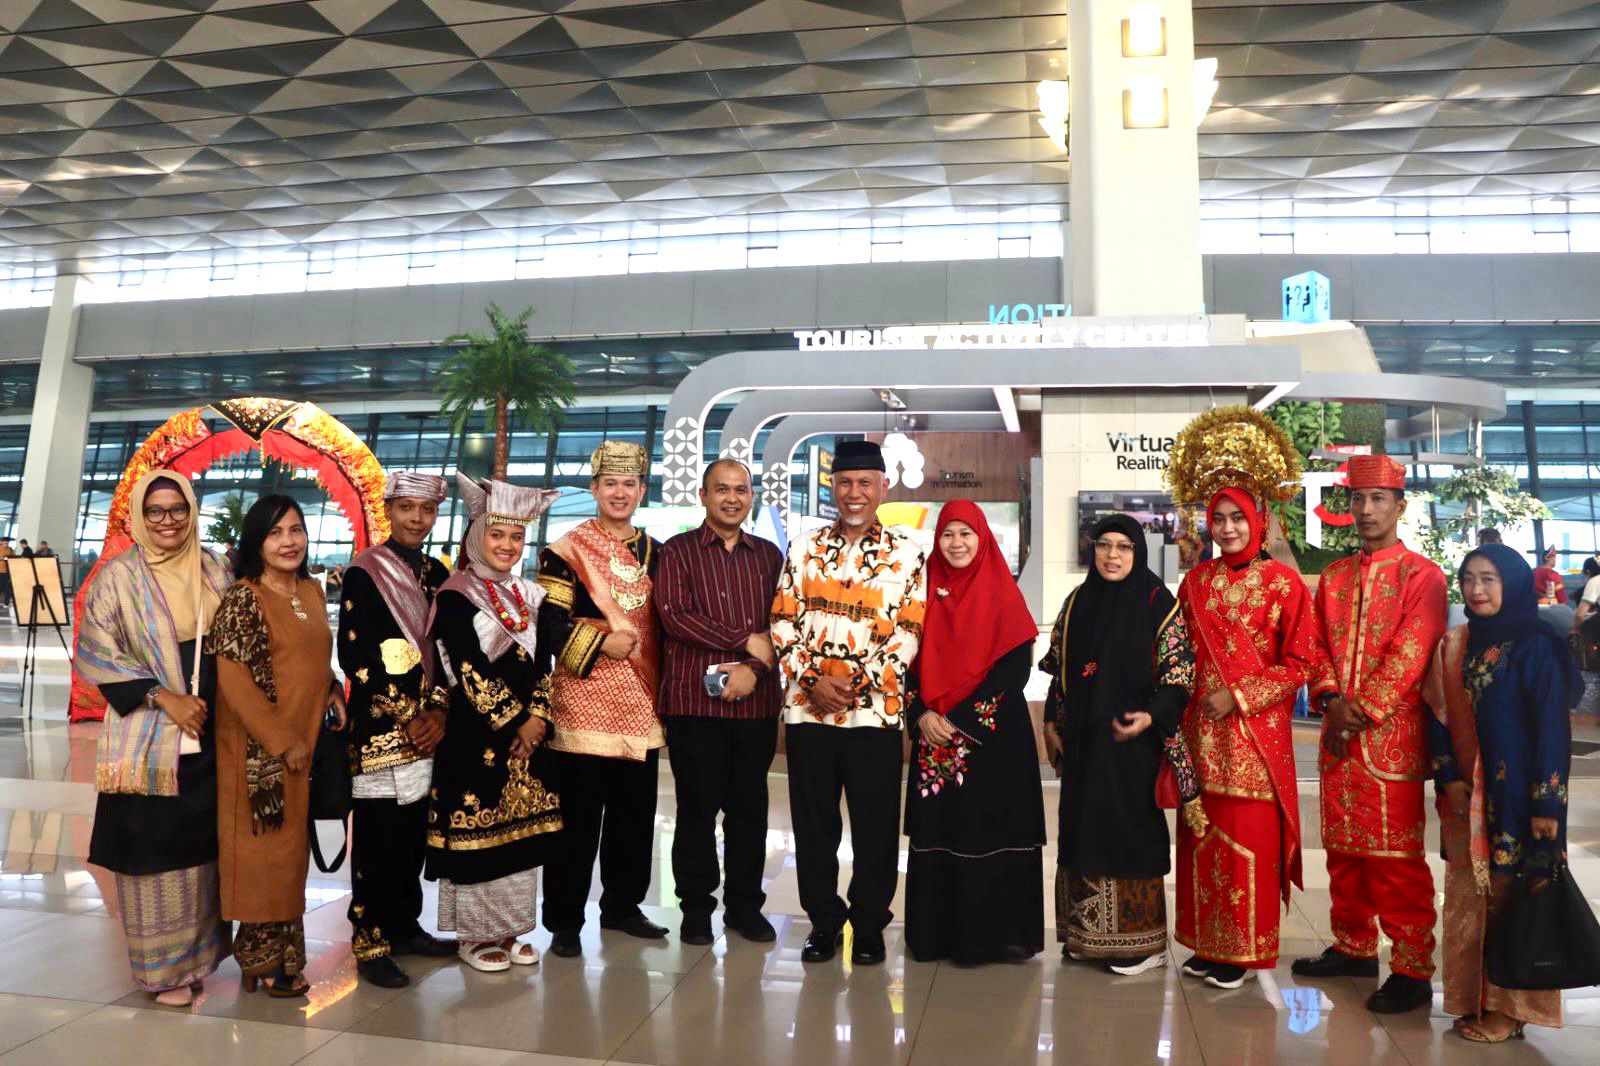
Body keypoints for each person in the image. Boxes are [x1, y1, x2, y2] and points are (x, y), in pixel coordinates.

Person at [1295, 456, 1447, 1013]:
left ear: (1399, 506)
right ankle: (1354, 945)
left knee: (1395, 858)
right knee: (1342, 849)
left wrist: (1363, 709)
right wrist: (1332, 701)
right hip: (1339, 733)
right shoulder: (1334, 578)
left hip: (1393, 737)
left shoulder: (1422, 576)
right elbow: (1314, 648)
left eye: (1377, 499)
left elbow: (1414, 649)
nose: (1364, 510)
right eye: (1357, 499)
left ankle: (1411, 966)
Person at [77, 470, 232, 1007]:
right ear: (140, 518)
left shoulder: (214, 569)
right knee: (153, 851)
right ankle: (162, 972)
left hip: (212, 732)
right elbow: (96, 651)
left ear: (191, 511)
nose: (168, 521)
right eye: (155, 511)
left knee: (199, 850)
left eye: (178, 509)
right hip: (146, 735)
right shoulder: (117, 577)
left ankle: (196, 962)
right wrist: (166, 698)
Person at [770, 439, 927, 966]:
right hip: (808, 712)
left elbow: (910, 628)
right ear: (831, 487)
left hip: (874, 712)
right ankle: (823, 922)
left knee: (876, 825)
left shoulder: (908, 553)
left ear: (883, 487)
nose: (854, 492)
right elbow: (782, 619)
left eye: (865, 482)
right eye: (844, 482)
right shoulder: (804, 547)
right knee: (814, 825)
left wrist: (855, 681)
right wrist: (814, 679)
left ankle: (869, 923)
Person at [1425, 543, 1581, 1043]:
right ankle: (1472, 998)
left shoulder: (1537, 644)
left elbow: (1553, 727)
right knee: (1473, 898)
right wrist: (1447, 774)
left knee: (1516, 896)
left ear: (1512, 583)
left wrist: (1546, 805)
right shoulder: (1457, 642)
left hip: (1520, 797)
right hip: (1468, 794)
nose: (1476, 589)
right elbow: (1436, 715)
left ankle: (1510, 1008)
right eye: (1468, 578)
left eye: (1489, 578)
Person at [1173, 488, 1317, 989]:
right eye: (1219, 518)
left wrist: (1238, 695)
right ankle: (1209, 945)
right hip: (1198, 735)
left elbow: (1302, 662)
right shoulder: (1194, 582)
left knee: (1247, 844)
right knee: (1202, 841)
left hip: (1254, 735)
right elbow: (1179, 654)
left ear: (1258, 522)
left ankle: (1244, 953)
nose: (1228, 528)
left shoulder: (1284, 585)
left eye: (1238, 518)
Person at [1040, 514, 1195, 975]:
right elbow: (1058, 674)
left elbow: (1179, 675)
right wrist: (1052, 724)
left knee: (1127, 831)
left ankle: (1140, 945)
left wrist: (1152, 716)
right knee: (1083, 827)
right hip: (1086, 745)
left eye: (1124, 547)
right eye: (1104, 546)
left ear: (1138, 552)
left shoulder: (1156, 602)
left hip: (1133, 747)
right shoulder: (1078, 601)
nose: (1112, 555)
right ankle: (1085, 936)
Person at [426, 475, 564, 972]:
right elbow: (467, 668)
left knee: (520, 836)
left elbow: (549, 661)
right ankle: (475, 936)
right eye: (497, 535)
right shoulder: (456, 594)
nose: (507, 546)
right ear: (475, 537)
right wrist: (515, 726)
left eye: (516, 537)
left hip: (529, 733)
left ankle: (512, 930)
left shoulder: (533, 594)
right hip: (475, 734)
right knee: (480, 836)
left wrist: (539, 718)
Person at [209, 495, 343, 997]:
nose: (289, 541)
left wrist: (332, 689)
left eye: (296, 529)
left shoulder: (308, 590)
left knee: (288, 858)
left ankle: (283, 953)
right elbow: (234, 683)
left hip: (303, 746)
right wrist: (282, 741)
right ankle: (259, 959)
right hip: (258, 753)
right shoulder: (244, 598)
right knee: (263, 856)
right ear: (256, 543)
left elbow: (311, 656)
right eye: (275, 533)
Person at [538, 441, 667, 955]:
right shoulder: (565, 550)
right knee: (576, 822)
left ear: (640, 491)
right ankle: (565, 921)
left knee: (634, 820)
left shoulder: (659, 552)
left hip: (641, 704)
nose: (620, 492)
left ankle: (622, 907)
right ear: (594, 490)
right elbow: (546, 623)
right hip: (581, 703)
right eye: (609, 483)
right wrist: (600, 640)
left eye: (629, 484)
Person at [904, 500, 1044, 965]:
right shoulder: (920, 591)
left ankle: (991, 939)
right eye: (948, 534)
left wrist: (959, 721)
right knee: (942, 831)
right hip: (933, 734)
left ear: (983, 538)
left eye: (966, 533)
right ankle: (935, 936)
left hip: (994, 737)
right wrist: (921, 713)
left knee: (988, 829)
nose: (957, 543)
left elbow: (1013, 669)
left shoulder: (1002, 591)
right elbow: (902, 658)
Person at [655, 459, 784, 946]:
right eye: (722, 489)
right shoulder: (678, 552)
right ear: (704, 495)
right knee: (696, 809)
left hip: (755, 703)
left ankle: (745, 908)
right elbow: (675, 617)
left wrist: (755, 667)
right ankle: (695, 909)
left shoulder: (770, 556)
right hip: (694, 704)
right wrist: (744, 642)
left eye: (741, 490)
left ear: (752, 496)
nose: (732, 498)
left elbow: (785, 624)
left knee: (749, 811)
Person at [338, 472, 457, 987]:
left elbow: (448, 650)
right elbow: (354, 655)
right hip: (380, 730)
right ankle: (371, 941)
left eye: (426, 510)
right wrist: (407, 715)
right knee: (378, 838)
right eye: (406, 507)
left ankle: (406, 928)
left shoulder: (439, 572)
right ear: (388, 508)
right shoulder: (365, 572)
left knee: (413, 837)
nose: (416, 519)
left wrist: (437, 712)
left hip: (431, 729)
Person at [0, 536, 12, 609]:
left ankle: (6, 603)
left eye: (7, 543)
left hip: (7, 571)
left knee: (8, 588)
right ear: (1, 542)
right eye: (5, 542)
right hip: (0, 571)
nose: (6, 544)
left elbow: (12, 557)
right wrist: (3, 558)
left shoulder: (9, 549)